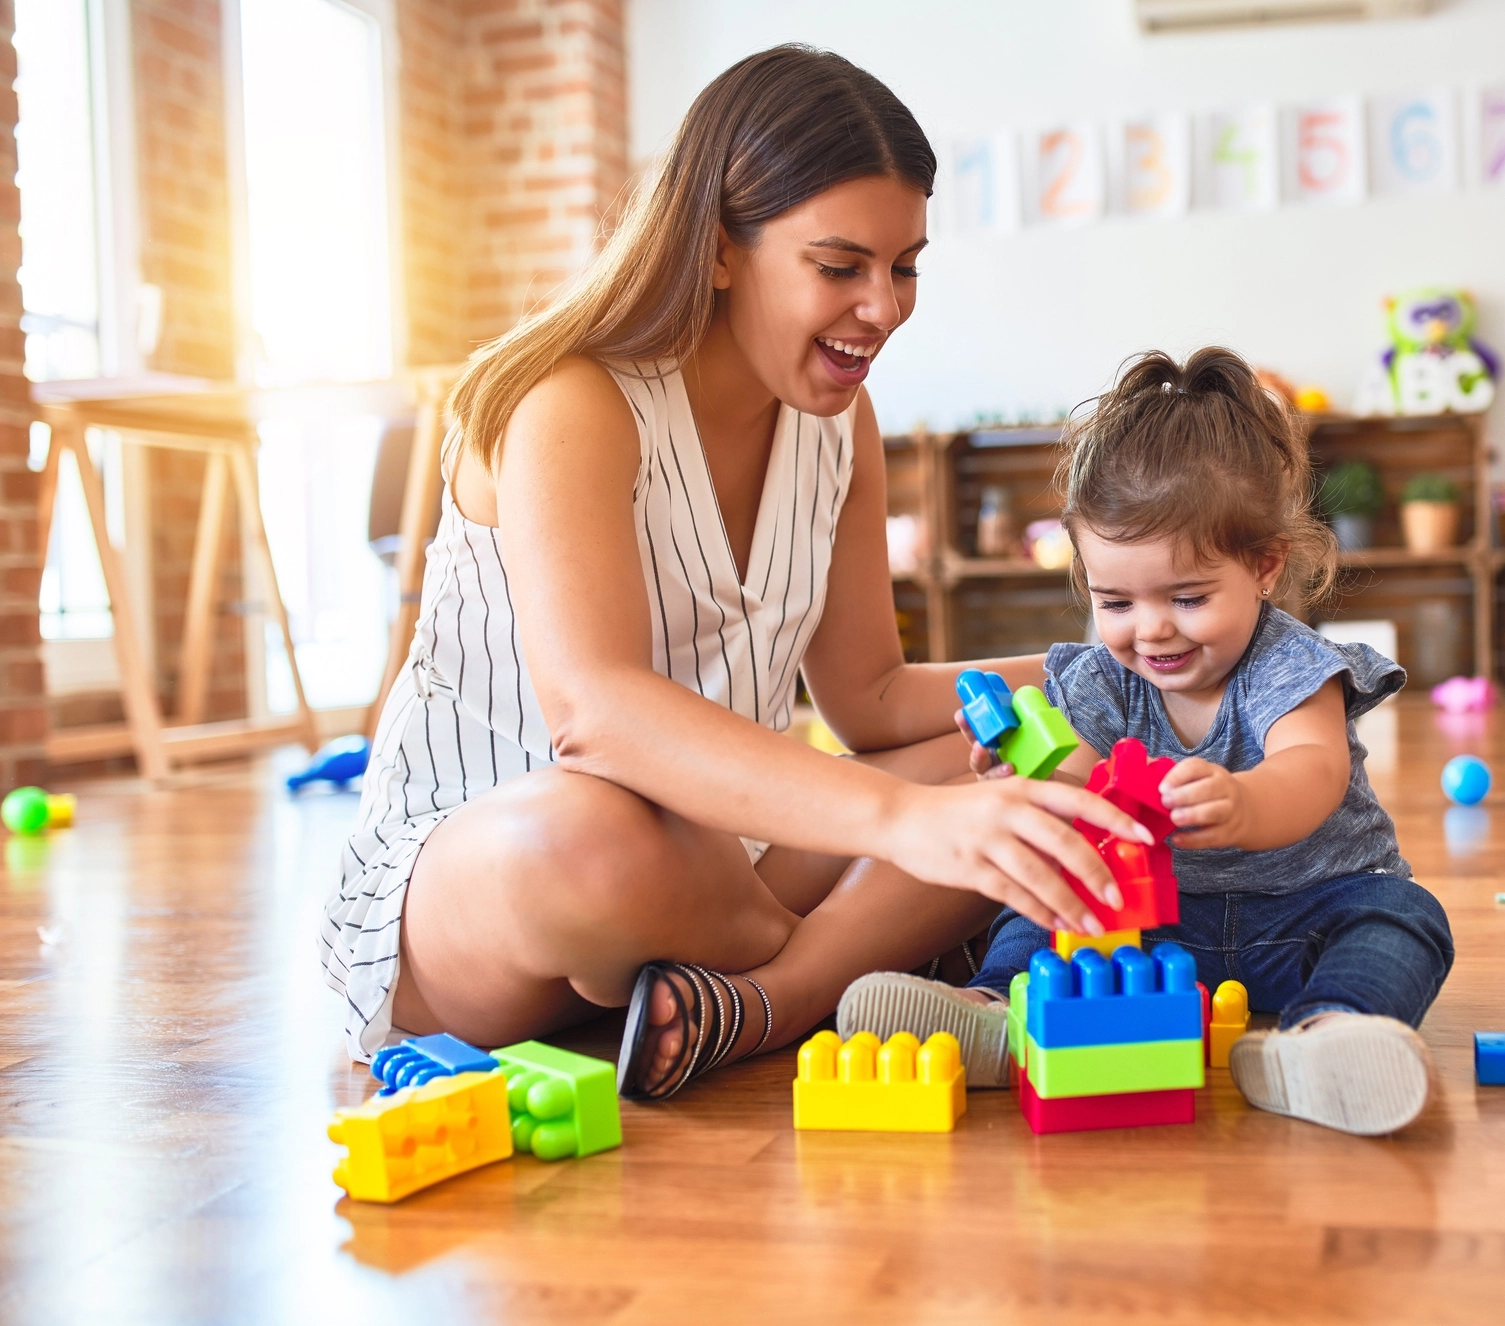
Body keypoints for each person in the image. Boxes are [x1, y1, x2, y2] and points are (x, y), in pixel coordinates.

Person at [320, 45, 1154, 1101]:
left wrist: (1100, 668)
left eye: (903, 267)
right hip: (493, 887)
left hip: (723, 860)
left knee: (1058, 759)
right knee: (595, 830)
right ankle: (825, 967)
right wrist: (909, 828)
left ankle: (758, 1000)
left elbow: (870, 700)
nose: (884, 308)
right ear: (719, 249)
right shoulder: (570, 400)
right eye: (840, 265)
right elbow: (596, 714)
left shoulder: (839, 424)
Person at [838, 348, 1455, 1135]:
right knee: (1042, 899)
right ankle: (999, 1013)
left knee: (1404, 916)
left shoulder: (1293, 664)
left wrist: (1243, 800)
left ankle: (1325, 1036)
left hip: (1305, 912)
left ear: (1265, 567)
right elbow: (1088, 784)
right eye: (1116, 601)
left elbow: (1313, 769)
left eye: (1188, 597)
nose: (1152, 628)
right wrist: (1025, 762)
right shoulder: (1100, 679)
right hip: (1151, 932)